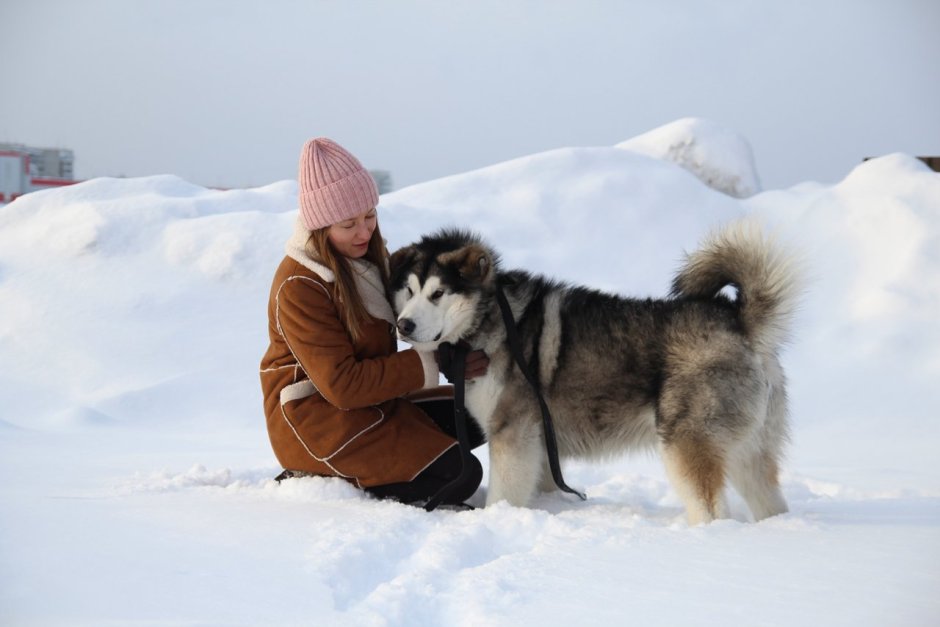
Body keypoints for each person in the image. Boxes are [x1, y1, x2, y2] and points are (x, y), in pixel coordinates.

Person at [260, 137, 488, 507]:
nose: (364, 231)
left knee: (480, 410)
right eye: (349, 224)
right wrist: (428, 362)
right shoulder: (300, 285)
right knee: (461, 476)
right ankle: (322, 476)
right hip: (316, 419)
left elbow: (421, 313)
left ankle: (387, 456)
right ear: (319, 226)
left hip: (374, 404)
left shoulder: (367, 258)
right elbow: (342, 386)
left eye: (370, 216)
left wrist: (454, 349)